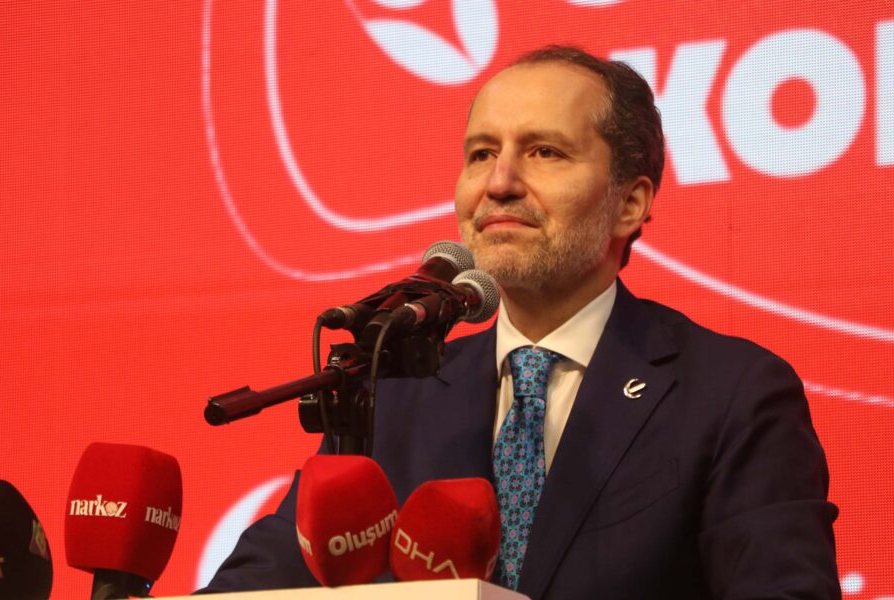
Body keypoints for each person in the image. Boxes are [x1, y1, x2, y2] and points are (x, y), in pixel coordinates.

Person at [200, 46, 841, 599]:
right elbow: (257, 584)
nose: (500, 183)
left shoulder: (731, 394)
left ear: (630, 202)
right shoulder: (395, 395)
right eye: (481, 154)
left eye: (544, 152)